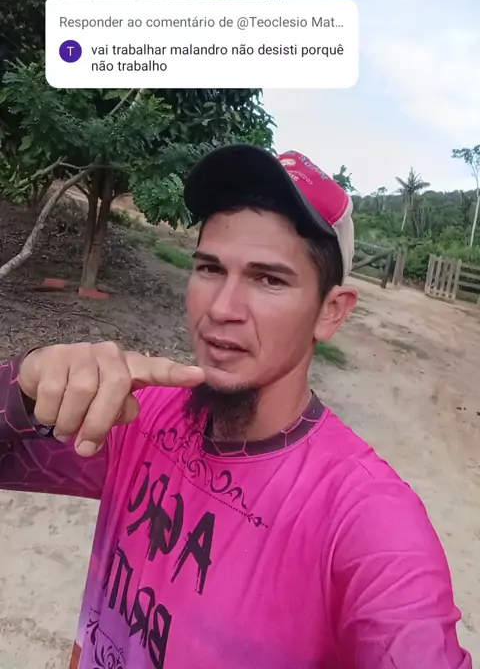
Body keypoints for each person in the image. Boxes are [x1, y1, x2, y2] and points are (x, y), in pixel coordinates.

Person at [0, 144, 471, 669]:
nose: (222, 309)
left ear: (330, 312)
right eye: (209, 268)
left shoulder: (366, 519)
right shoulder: (138, 415)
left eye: (269, 279)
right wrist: (24, 383)